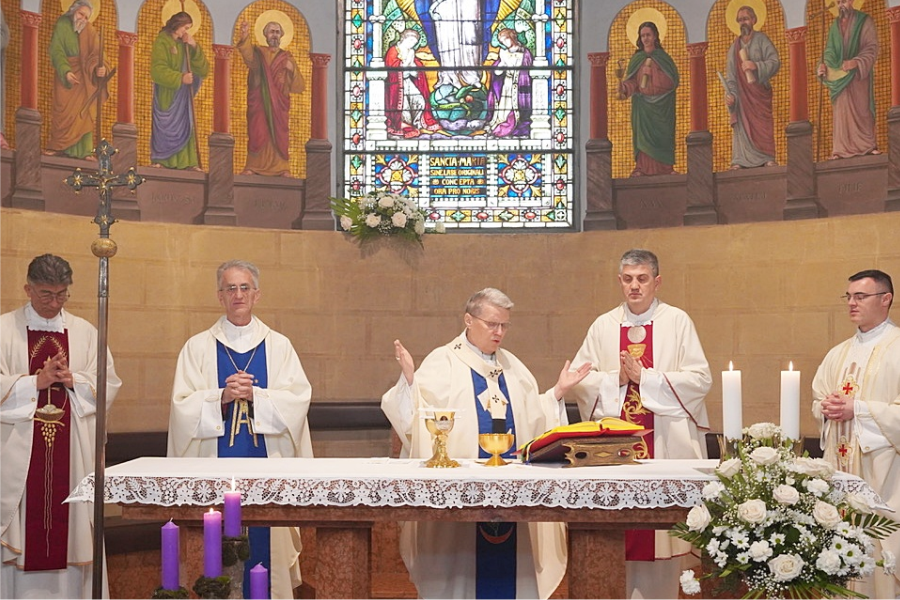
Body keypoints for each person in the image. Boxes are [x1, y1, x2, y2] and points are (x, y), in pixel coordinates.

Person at [381, 288, 591, 599]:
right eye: (492, 324)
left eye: (505, 325)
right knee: (460, 575)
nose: (499, 332)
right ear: (468, 320)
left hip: (512, 496)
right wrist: (410, 383)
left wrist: (557, 393)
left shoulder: (513, 367)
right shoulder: (443, 361)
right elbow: (417, 418)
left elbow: (534, 419)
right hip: (459, 498)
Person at [568, 249, 711, 599]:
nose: (635, 286)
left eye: (642, 278)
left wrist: (646, 379)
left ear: (657, 281)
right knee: (612, 545)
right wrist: (616, 379)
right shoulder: (603, 325)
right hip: (614, 454)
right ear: (620, 281)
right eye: (628, 279)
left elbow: (700, 379)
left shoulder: (677, 322)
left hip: (664, 447)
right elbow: (580, 380)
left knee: (662, 548)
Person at [167, 260, 313, 599]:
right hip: (215, 466)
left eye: (244, 287)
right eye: (230, 288)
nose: (238, 294)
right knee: (219, 559)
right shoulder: (197, 347)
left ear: (257, 295)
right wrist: (220, 397)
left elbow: (298, 400)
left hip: (267, 465)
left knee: (266, 550)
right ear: (220, 296)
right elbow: (180, 406)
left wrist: (256, 396)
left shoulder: (279, 346)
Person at [0, 254, 121, 599]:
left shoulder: (84, 332)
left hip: (72, 461)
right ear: (28, 288)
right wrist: (34, 383)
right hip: (17, 464)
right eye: (45, 295)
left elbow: (107, 384)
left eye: (61, 294)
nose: (53, 303)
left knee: (71, 536)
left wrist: (75, 381)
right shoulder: (4, 329)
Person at [812, 269, 899, 598]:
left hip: (885, 479)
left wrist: (858, 409)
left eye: (860, 296)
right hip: (841, 473)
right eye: (848, 297)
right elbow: (818, 397)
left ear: (885, 299)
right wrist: (826, 408)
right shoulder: (838, 353)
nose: (851, 303)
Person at [236, 18, 305, 177]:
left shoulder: (287, 57)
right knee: (257, 131)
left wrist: (292, 69)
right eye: (271, 32)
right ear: (265, 35)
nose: (275, 35)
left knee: (279, 134)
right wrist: (245, 36)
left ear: (281, 35)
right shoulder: (259, 53)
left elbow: (299, 86)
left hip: (279, 106)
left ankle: (282, 168)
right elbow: (248, 56)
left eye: (277, 32)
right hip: (259, 101)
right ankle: (252, 166)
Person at [44, 0, 109, 159]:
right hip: (66, 74)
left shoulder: (90, 30)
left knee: (84, 112)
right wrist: (65, 71)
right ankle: (58, 145)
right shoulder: (62, 24)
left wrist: (99, 69)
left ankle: (85, 151)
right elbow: (56, 49)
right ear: (72, 11)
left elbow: (98, 55)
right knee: (63, 111)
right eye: (81, 14)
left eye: (87, 17)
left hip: (85, 79)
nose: (83, 19)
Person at [817, 0, 880, 159]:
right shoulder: (834, 26)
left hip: (859, 77)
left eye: (843, 1)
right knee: (841, 114)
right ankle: (840, 149)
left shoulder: (864, 21)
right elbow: (830, 51)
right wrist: (824, 66)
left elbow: (871, 48)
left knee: (862, 110)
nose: (841, 6)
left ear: (852, 1)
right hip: (840, 79)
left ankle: (867, 145)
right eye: (838, 2)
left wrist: (855, 62)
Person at [150, 11, 209, 170]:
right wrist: (180, 78)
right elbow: (157, 70)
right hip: (167, 95)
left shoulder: (185, 45)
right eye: (185, 27)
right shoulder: (162, 41)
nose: (186, 32)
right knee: (165, 125)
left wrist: (194, 46)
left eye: (188, 28)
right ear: (177, 25)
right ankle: (161, 160)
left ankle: (188, 162)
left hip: (183, 97)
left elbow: (203, 70)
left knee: (186, 125)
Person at [619, 22, 679, 177]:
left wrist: (654, 73)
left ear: (655, 36)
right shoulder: (637, 59)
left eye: (648, 35)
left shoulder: (663, 58)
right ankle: (641, 168)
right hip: (643, 107)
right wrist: (624, 87)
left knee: (664, 137)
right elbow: (632, 82)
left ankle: (666, 168)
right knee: (643, 139)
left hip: (663, 106)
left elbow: (673, 82)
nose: (645, 38)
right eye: (643, 35)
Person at [724, 5, 780, 170]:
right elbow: (731, 78)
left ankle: (767, 157)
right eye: (740, 20)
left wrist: (755, 65)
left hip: (759, 94)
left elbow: (775, 62)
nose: (743, 23)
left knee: (763, 125)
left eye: (746, 19)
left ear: (754, 20)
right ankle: (740, 159)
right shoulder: (733, 49)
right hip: (742, 97)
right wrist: (731, 96)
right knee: (742, 126)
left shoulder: (762, 40)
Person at [385, 29, 441, 138]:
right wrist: (405, 63)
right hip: (396, 85)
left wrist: (413, 65)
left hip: (408, 81)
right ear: (404, 38)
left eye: (414, 43)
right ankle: (403, 124)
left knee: (419, 100)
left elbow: (416, 69)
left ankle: (419, 123)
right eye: (410, 41)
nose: (412, 44)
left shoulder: (411, 51)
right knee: (403, 106)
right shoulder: (393, 51)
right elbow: (392, 67)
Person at [486, 28, 533, 137]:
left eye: (505, 39)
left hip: (518, 85)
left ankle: (513, 125)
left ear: (512, 37)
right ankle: (499, 123)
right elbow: (497, 72)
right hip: (506, 85)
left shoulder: (524, 52)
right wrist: (500, 66)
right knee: (504, 107)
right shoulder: (504, 53)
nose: (504, 43)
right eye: (502, 41)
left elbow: (526, 68)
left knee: (514, 107)